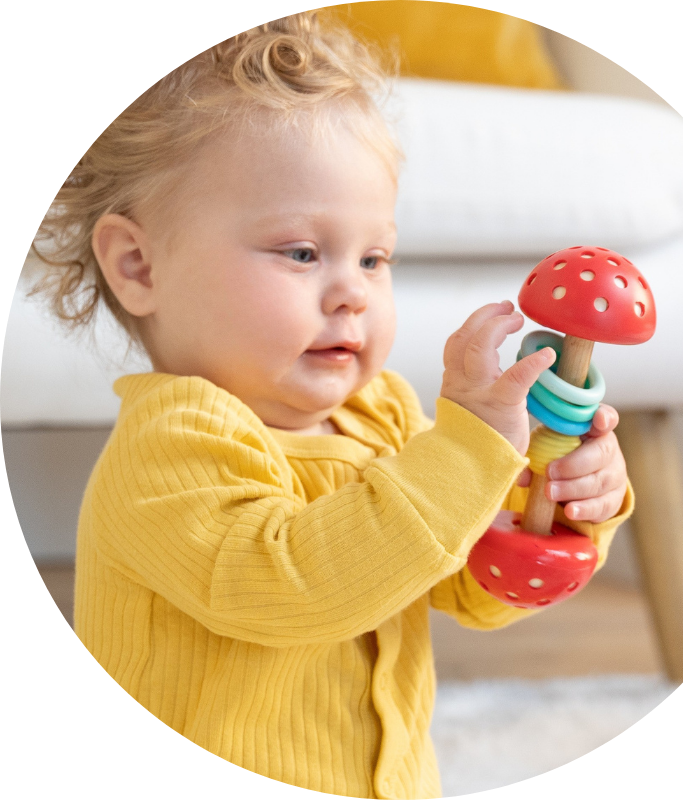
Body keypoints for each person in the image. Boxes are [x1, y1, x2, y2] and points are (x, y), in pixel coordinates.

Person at [32, 13, 632, 798]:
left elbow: (467, 584)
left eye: (374, 257)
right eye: (302, 252)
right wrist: (464, 452)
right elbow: (296, 589)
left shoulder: (381, 414)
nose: (353, 292)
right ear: (139, 265)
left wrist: (558, 502)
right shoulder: (170, 447)